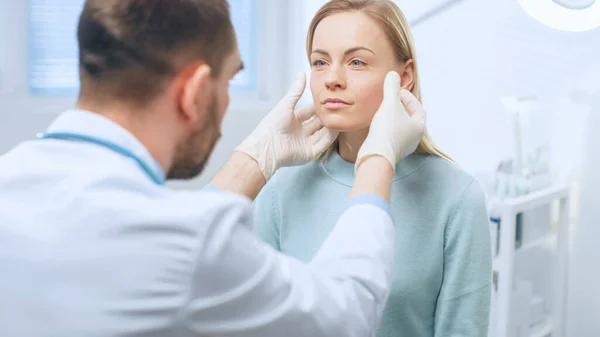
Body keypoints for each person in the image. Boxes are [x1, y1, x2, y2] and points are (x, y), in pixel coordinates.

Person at [0, 0, 428, 336]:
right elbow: (344, 316)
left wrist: (255, 159)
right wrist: (379, 158)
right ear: (194, 92)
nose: (225, 106)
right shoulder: (187, 244)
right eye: (226, 83)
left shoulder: (11, 179)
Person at [254, 1, 493, 336]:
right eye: (320, 62)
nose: (332, 79)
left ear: (405, 77)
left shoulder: (457, 196)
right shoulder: (281, 190)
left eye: (356, 62)